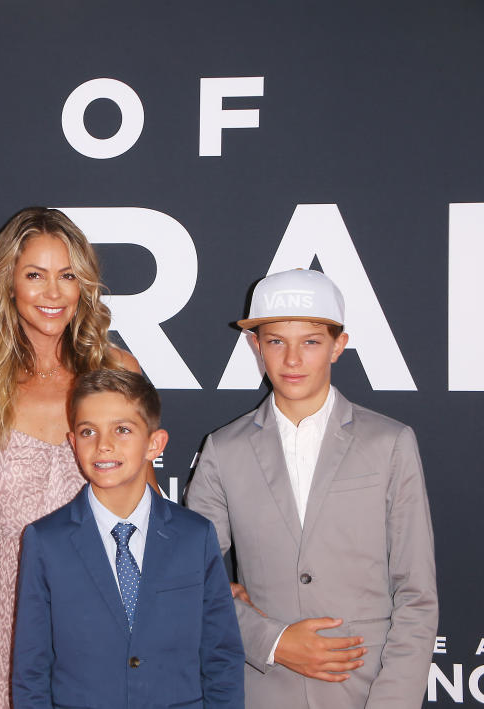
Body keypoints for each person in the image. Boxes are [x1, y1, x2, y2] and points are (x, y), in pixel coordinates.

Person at [186, 268, 438, 708]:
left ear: (338, 346)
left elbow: (417, 596)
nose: (292, 360)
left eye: (311, 342)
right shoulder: (223, 449)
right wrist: (274, 641)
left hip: (366, 694)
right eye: (276, 341)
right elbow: (185, 579)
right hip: (261, 693)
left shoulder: (389, 442)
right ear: (255, 346)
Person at [0, 207, 150, 708]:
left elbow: (147, 504)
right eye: (35, 275)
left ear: (84, 286)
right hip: (2, 608)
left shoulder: (119, 370)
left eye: (67, 276)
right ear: (8, 282)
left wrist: (200, 580)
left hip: (101, 599)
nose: (53, 293)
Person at [12, 369, 244, 708]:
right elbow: (31, 671)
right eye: (88, 431)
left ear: (155, 443)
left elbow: (221, 656)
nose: (103, 445)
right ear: (73, 443)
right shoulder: (46, 541)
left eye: (122, 430)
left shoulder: (195, 536)